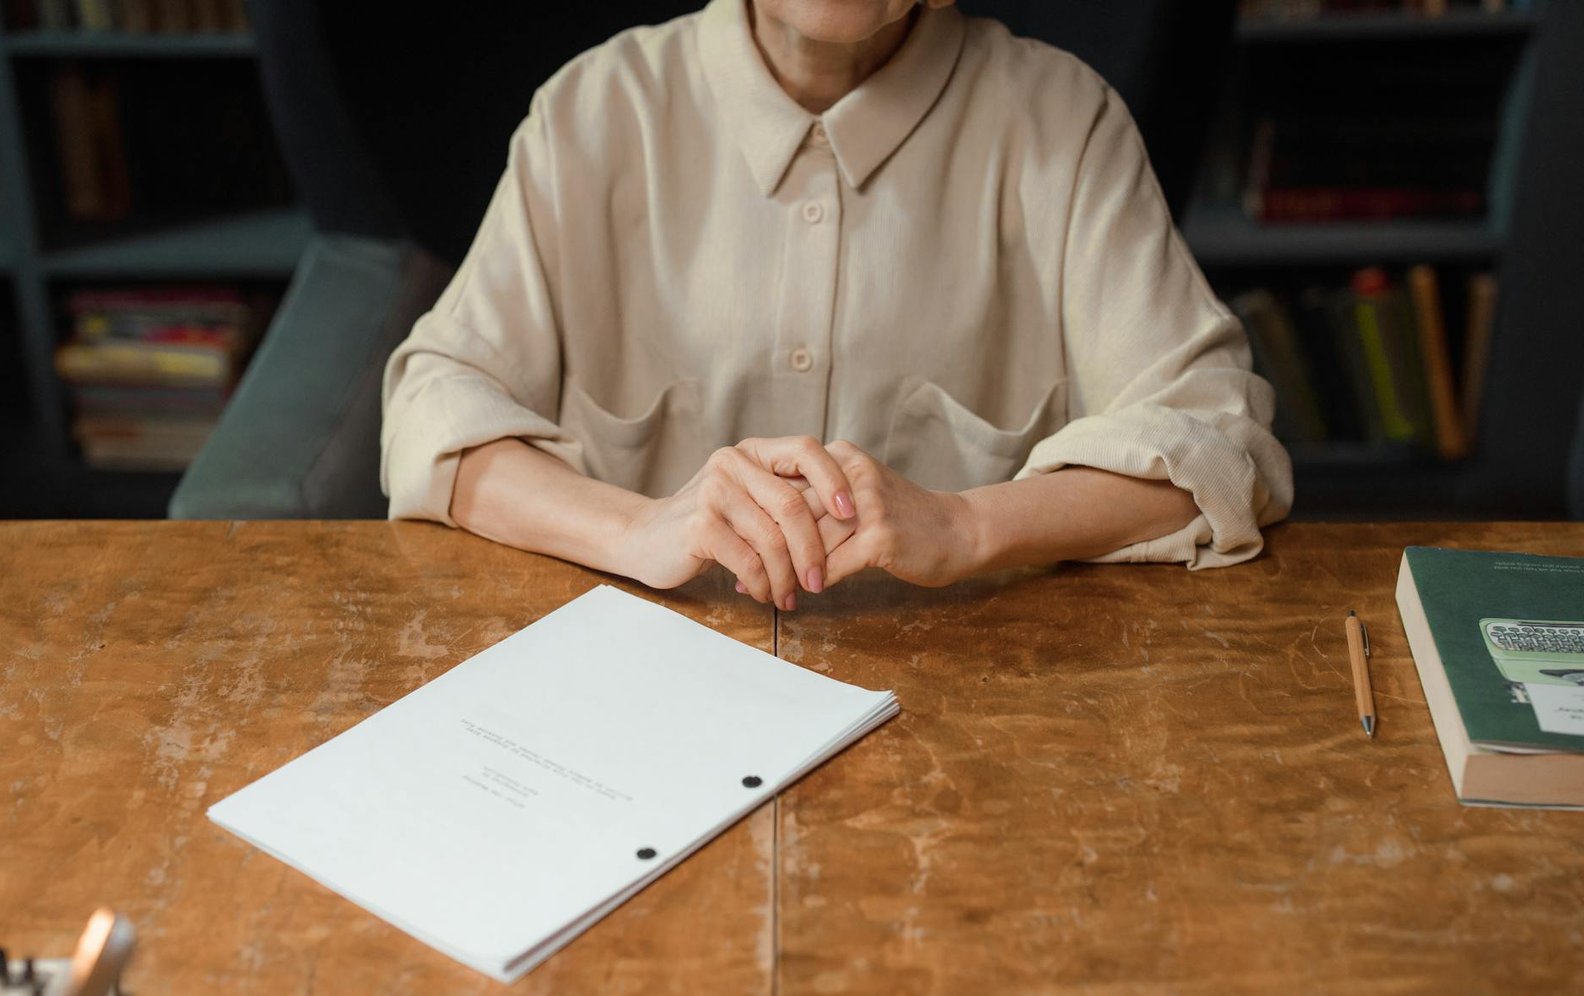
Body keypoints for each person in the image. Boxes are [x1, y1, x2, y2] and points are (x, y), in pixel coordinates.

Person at [381, 0, 1293, 611]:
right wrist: (637, 525)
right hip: (642, 692)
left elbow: (1220, 444)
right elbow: (434, 411)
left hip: (976, 705)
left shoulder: (1060, 120)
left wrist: (969, 524)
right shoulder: (594, 111)